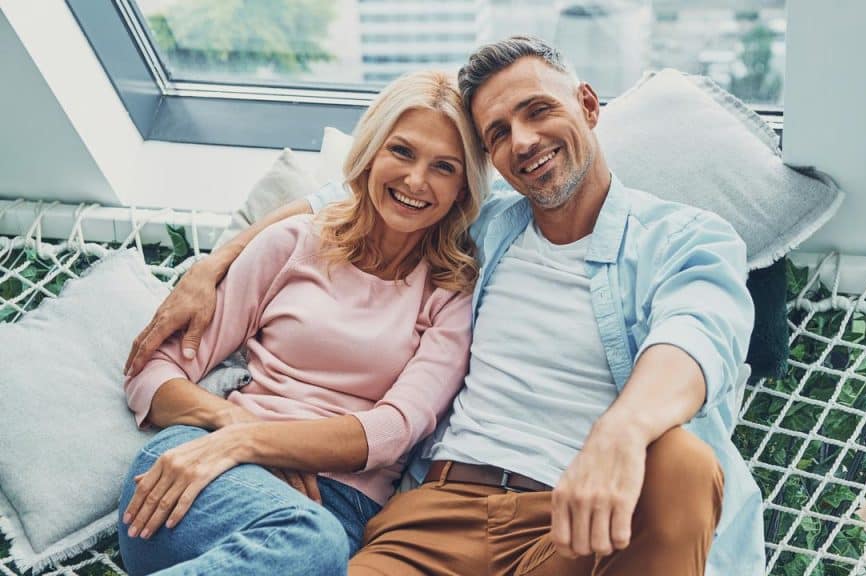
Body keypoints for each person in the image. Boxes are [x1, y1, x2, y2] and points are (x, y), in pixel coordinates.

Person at [125, 36, 766, 575]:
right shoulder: (481, 226)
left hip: (572, 523)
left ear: (589, 105)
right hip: (434, 517)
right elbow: (343, 202)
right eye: (498, 134)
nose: (524, 141)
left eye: (539, 111)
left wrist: (621, 432)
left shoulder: (683, 238)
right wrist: (214, 263)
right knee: (313, 553)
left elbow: (696, 335)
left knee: (680, 463)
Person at [117, 69, 488, 575]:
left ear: (463, 187)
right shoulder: (293, 243)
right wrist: (235, 427)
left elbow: (393, 431)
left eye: (444, 167)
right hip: (197, 474)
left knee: (316, 545)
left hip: (335, 508)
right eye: (401, 151)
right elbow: (153, 371)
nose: (416, 180)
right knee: (312, 544)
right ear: (370, 152)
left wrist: (260, 441)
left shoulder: (451, 295)